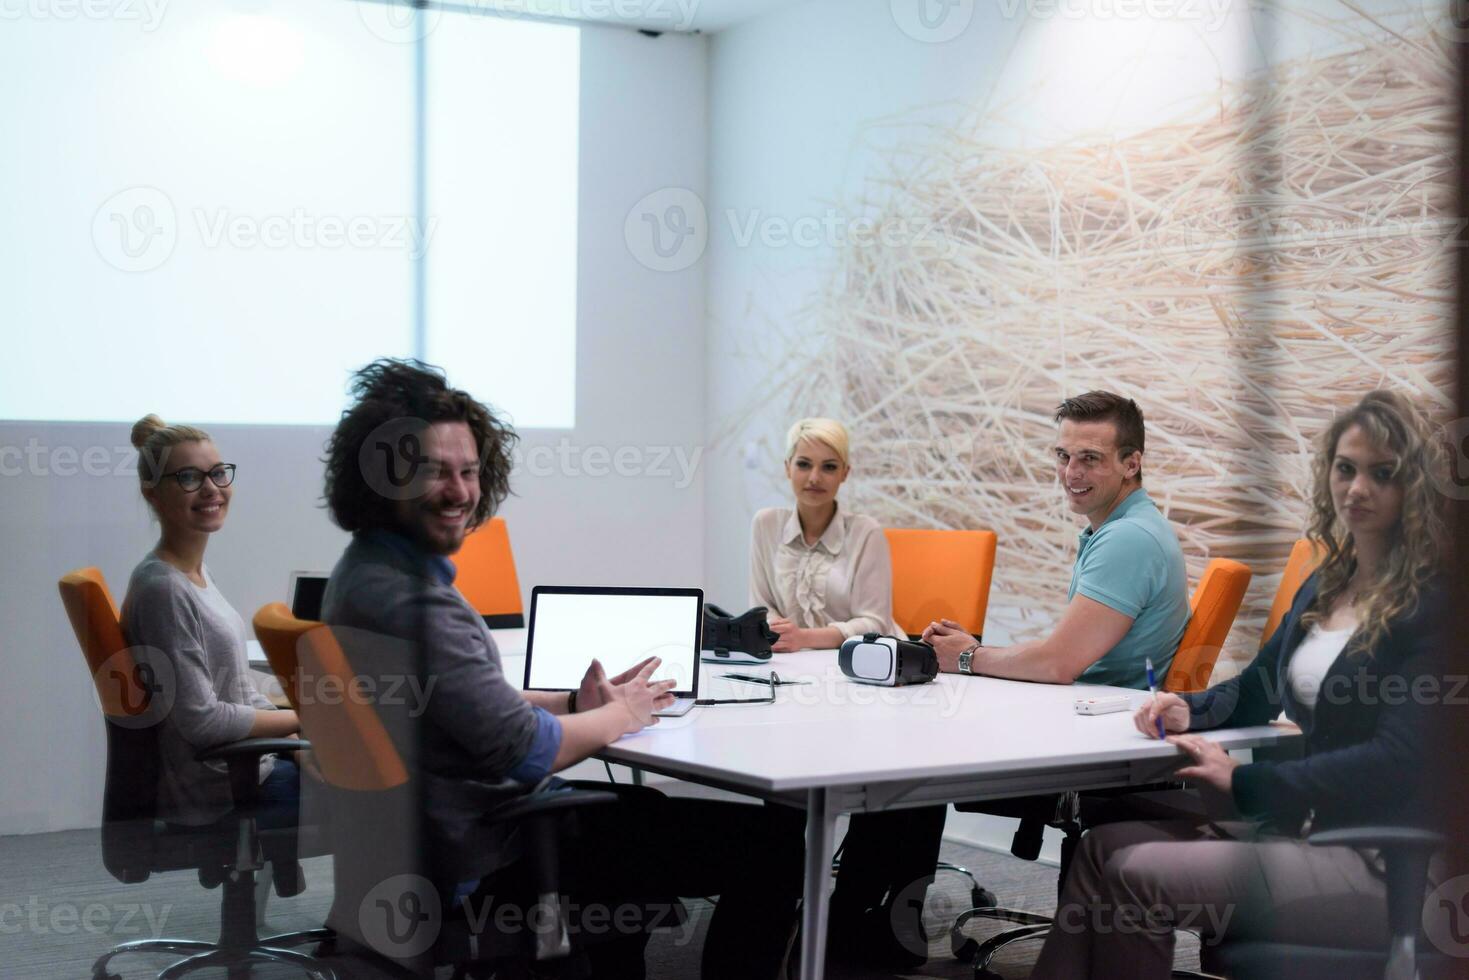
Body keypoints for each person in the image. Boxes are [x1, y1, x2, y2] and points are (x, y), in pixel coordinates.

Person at [320, 360, 804, 980]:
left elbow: (465, 705)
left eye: (469, 472)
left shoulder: (363, 577)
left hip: (435, 836)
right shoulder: (415, 603)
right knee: (771, 842)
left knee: (643, 812)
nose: (460, 491)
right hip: (492, 849)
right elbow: (525, 753)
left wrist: (577, 706)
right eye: (434, 472)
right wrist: (621, 714)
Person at [1030, 389, 1450, 979]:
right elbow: (1256, 689)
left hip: (1396, 864)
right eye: (1345, 469)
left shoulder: (1438, 602)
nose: (1357, 488)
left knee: (1134, 874)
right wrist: (1187, 710)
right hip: (1311, 829)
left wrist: (1248, 780)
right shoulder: (1331, 583)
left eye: (1383, 473)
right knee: (1102, 847)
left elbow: (1398, 761)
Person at [748, 417, 945, 970]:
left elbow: (875, 620)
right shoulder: (766, 525)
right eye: (804, 464)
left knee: (871, 781)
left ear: (845, 474)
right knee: (780, 778)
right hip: (790, 679)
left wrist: (809, 637)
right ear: (787, 468)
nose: (815, 477)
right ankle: (776, 907)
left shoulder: (865, 533)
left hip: (860, 680)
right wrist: (773, 629)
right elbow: (761, 602)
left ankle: (853, 915)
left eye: (829, 466)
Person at [924, 390, 1190, 690]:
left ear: (1131, 464)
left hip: (1104, 723)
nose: (1070, 474)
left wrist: (968, 657)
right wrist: (971, 651)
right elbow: (1061, 651)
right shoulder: (1133, 526)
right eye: (1064, 456)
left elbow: (1058, 663)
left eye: (1090, 458)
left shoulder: (1129, 540)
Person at [120, 415, 302, 830]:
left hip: (249, 767)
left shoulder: (194, 575)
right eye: (188, 477)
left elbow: (233, 691)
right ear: (153, 495)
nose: (212, 489)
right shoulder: (163, 588)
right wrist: (303, 719)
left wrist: (295, 739)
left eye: (218, 473)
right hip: (225, 791)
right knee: (387, 792)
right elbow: (202, 720)